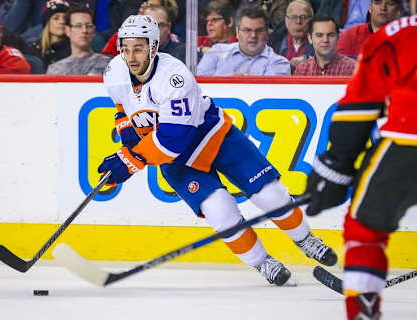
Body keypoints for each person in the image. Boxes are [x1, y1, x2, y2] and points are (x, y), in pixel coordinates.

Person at [98, 14, 337, 287]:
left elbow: (174, 139)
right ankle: (262, 262)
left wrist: (132, 158)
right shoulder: (113, 72)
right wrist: (127, 140)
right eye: (126, 48)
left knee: (270, 194)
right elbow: (123, 112)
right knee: (219, 210)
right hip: (177, 163)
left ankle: (305, 239)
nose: (131, 56)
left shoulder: (174, 78)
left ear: (153, 48)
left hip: (212, 135)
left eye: (139, 48)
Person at [304, 2, 416, 318]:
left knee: (364, 229)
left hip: (409, 143)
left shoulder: (397, 34)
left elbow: (360, 106)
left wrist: (337, 167)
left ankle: (362, 310)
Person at [197, 5, 290, 76]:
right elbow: (199, 89)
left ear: (267, 33)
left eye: (259, 30)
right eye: (247, 30)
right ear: (237, 32)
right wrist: (231, 83)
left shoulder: (280, 63)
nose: (253, 35)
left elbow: (269, 97)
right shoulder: (216, 53)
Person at [46, 6, 111, 75]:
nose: (84, 30)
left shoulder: (108, 64)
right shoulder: (55, 69)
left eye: (89, 26)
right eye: (78, 26)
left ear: (94, 31)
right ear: (67, 30)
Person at [336, 0, 402, 59]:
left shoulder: (405, 39)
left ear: (398, 9)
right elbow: (334, 66)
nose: (383, 8)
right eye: (377, 2)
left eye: (390, 3)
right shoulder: (351, 36)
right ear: (370, 8)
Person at [269, 0, 315, 70]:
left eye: (303, 17)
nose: (298, 22)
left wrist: (309, 59)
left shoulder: (320, 41)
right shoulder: (273, 42)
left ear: (312, 20)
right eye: (293, 17)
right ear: (286, 21)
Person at [31, 0, 70, 67]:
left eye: (65, 18)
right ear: (47, 23)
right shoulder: (34, 49)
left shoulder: (74, 49)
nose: (62, 22)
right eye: (56, 18)